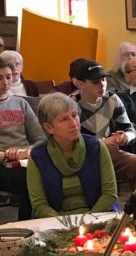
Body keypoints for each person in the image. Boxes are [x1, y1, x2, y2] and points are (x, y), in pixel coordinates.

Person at [27, 93, 118, 218]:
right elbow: (39, 204)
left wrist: (88, 219)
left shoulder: (96, 147)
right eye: (64, 119)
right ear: (49, 128)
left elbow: (110, 194)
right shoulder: (38, 156)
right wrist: (64, 224)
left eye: (74, 116)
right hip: (56, 222)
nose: (74, 123)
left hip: (98, 216)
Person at [69, 60, 136, 191]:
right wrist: (105, 142)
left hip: (107, 152)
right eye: (95, 82)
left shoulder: (112, 99)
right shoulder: (71, 103)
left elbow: (130, 129)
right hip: (81, 155)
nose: (102, 85)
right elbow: (72, 142)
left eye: (104, 80)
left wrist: (125, 137)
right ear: (82, 84)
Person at [0, 60, 45, 219]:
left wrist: (26, 151)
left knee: (46, 174)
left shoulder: (21, 103)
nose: (5, 82)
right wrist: (6, 154)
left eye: (8, 77)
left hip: (26, 160)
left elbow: (41, 138)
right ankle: (24, 225)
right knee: (31, 181)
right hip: (3, 163)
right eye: (0, 78)